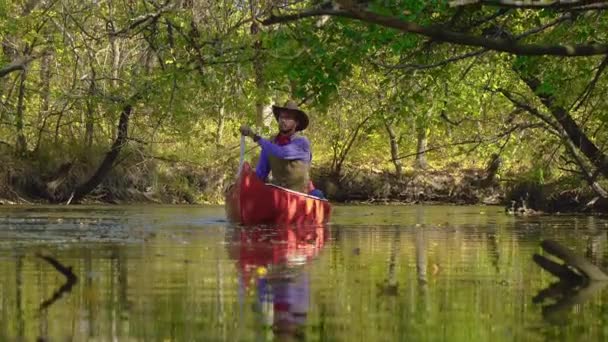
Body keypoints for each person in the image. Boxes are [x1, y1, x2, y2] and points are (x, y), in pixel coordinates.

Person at [240, 100, 322, 196]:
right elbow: (260, 174)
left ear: (296, 123)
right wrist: (244, 183)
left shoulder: (302, 142)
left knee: (318, 194)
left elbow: (283, 153)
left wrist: (253, 136)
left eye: (288, 118)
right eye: (281, 117)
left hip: (302, 194)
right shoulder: (271, 143)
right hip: (278, 195)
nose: (283, 120)